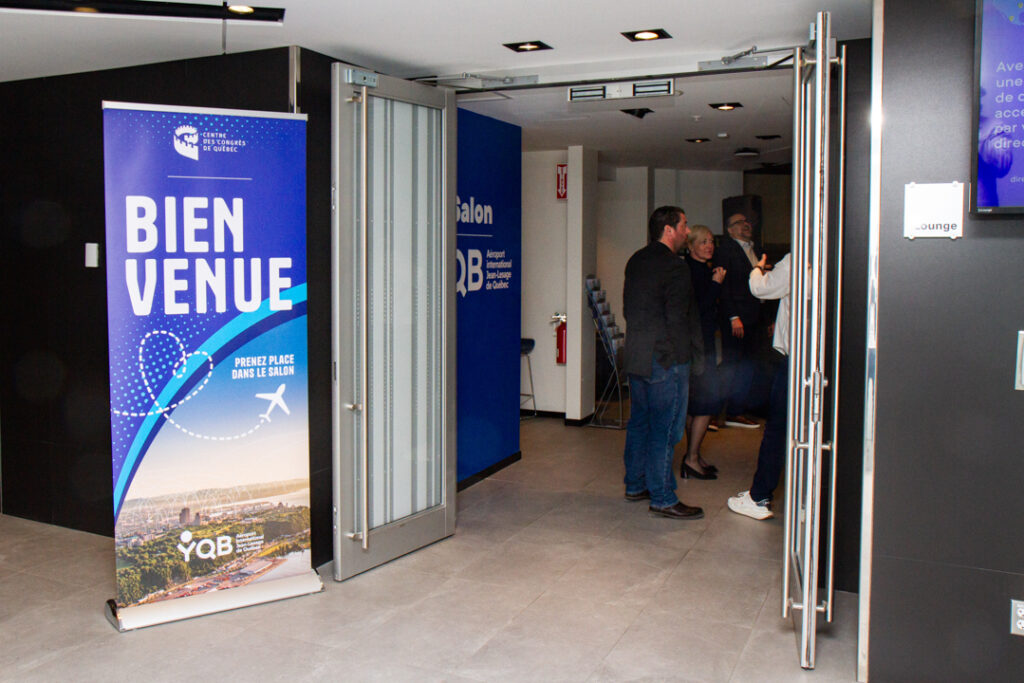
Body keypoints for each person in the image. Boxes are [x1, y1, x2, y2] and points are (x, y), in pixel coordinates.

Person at [622, 206, 705, 519]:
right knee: (665, 429)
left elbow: (631, 308)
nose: (687, 231)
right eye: (684, 225)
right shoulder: (675, 266)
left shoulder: (636, 260)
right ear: (669, 229)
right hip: (665, 359)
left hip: (637, 355)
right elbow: (677, 318)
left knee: (640, 423)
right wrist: (685, 358)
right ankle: (663, 497)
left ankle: (635, 483)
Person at [728, 252, 791, 520]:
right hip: (820, 357)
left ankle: (759, 497)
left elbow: (760, 288)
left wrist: (757, 269)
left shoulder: (797, 259)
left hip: (797, 360)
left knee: (777, 429)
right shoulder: (832, 256)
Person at [681, 225, 725, 480]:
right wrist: (717, 284)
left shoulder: (698, 269)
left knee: (696, 404)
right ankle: (691, 459)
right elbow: (700, 308)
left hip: (697, 345)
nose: (709, 246)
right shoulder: (694, 272)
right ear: (691, 245)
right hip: (698, 346)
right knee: (706, 403)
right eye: (703, 242)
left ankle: (693, 454)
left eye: (711, 241)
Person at [713, 212, 764, 430]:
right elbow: (724, 287)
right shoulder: (725, 250)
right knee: (731, 365)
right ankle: (714, 413)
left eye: (747, 222)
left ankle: (736, 411)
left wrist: (768, 318)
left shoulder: (757, 250)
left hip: (755, 317)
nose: (745, 225)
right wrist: (733, 316)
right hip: (737, 318)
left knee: (748, 366)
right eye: (739, 223)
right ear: (729, 229)